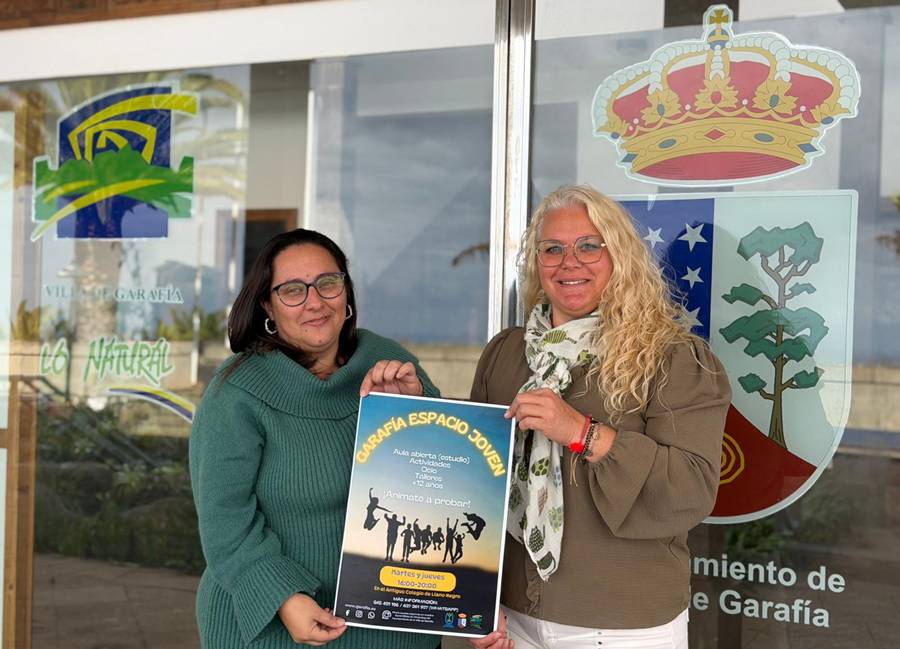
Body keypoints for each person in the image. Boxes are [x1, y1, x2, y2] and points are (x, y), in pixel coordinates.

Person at [470, 185, 731, 649]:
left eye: (589, 246)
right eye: (552, 249)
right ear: (537, 263)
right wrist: (474, 601)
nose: (569, 263)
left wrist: (582, 433)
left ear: (620, 256)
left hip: (622, 627)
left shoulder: (672, 357)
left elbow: (691, 489)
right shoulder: (505, 354)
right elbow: (472, 479)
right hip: (511, 620)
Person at [190, 228, 440, 649]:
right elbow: (223, 519)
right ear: (267, 305)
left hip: (391, 627)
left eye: (327, 283)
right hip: (272, 625)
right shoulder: (236, 391)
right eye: (292, 290)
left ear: (346, 292)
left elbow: (446, 485)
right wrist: (282, 596)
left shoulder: (392, 364)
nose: (314, 301)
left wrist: (414, 410)